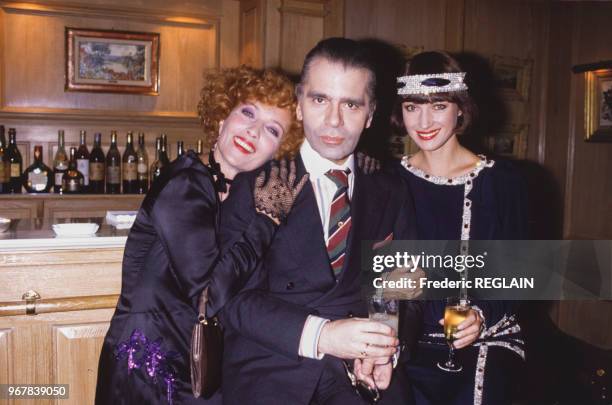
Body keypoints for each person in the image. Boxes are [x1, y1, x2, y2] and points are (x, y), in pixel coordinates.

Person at [217, 38, 418, 405]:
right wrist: (323, 336)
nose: (334, 121)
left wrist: (384, 347)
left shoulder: (391, 189)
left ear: (371, 114)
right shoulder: (258, 181)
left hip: (364, 380)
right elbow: (231, 300)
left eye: (351, 105)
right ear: (298, 104)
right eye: (320, 100)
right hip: (272, 372)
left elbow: (402, 291)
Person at [95, 66, 307, 405]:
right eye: (248, 113)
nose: (253, 131)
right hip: (149, 368)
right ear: (223, 118)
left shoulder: (238, 193)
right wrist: (267, 221)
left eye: (271, 129)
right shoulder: (187, 183)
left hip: (196, 366)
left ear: (277, 151)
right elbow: (208, 294)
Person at [391, 51, 528, 405]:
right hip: (407, 344)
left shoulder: (504, 182)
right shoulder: (387, 182)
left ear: (460, 108)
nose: (423, 120)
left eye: (438, 106)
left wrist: (481, 316)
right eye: (411, 107)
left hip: (487, 341)